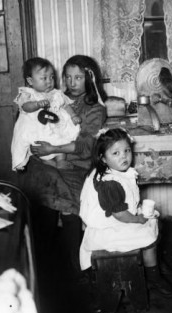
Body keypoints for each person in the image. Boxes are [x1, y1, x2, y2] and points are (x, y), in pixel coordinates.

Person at [19, 55, 107, 288]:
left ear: (90, 79)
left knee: (69, 210)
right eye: (68, 76)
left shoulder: (95, 109)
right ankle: (44, 269)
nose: (72, 81)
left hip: (76, 165)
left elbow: (86, 146)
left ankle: (76, 267)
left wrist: (54, 149)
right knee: (44, 202)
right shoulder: (53, 97)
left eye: (78, 77)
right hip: (46, 161)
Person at [79, 128, 172, 299]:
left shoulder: (111, 171)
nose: (124, 156)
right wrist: (138, 219)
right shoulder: (109, 183)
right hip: (106, 230)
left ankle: (155, 262)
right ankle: (154, 276)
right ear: (103, 158)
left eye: (126, 151)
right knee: (148, 234)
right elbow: (120, 215)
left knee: (156, 220)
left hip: (113, 220)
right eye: (116, 153)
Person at [11, 57, 81, 170]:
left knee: (61, 139)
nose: (49, 81)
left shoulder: (56, 93)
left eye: (51, 77)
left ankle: (60, 161)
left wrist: (73, 115)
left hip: (55, 126)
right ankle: (47, 162)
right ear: (30, 81)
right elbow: (25, 107)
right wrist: (37, 105)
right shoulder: (27, 94)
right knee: (37, 145)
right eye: (44, 78)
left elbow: (65, 105)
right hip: (37, 127)